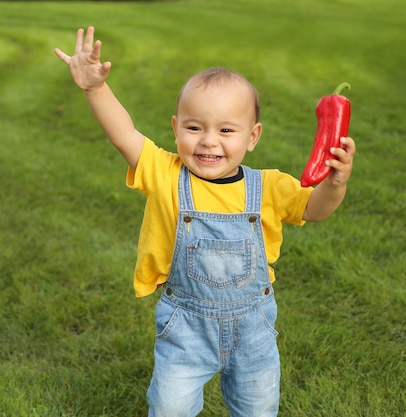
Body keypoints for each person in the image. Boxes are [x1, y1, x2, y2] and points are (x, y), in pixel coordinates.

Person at [55, 26, 356, 417]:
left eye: (226, 130)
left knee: (258, 409)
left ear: (253, 136)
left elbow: (316, 208)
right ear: (175, 127)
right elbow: (124, 134)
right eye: (194, 127)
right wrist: (94, 88)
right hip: (186, 331)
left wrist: (337, 182)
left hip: (254, 333)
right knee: (169, 408)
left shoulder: (268, 187)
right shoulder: (165, 174)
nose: (209, 141)